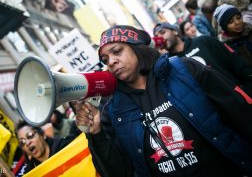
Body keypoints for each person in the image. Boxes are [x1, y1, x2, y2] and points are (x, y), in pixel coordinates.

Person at [75, 25, 252, 177]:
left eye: (117, 51)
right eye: (105, 60)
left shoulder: (185, 70)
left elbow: (240, 113)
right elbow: (121, 172)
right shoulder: (112, 111)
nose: (111, 61)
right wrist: (96, 135)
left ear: (137, 48)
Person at [153, 22, 252, 95]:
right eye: (156, 37)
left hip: (240, 95)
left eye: (162, 32)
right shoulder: (171, 64)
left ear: (175, 31)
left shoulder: (204, 41)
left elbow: (235, 62)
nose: (160, 38)